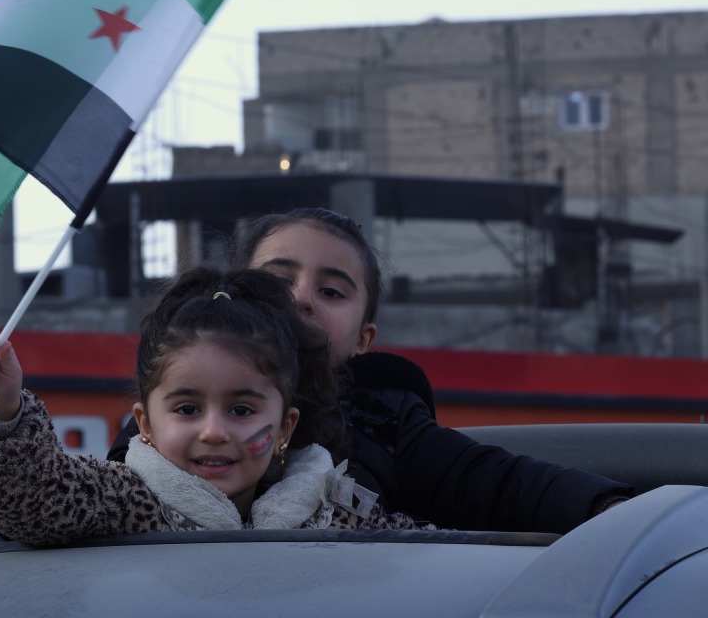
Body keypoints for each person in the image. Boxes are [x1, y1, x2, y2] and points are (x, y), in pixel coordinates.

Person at [109, 207, 634, 533]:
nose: (301, 298)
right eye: (279, 277)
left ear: (364, 338)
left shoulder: (387, 422)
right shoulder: (166, 417)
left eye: (332, 290)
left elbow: (496, 483)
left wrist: (613, 509)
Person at [0, 267, 427, 547]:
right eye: (187, 409)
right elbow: (35, 499)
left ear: (284, 428)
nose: (213, 431)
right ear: (144, 423)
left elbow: (429, 566)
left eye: (242, 410)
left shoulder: (343, 513)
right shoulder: (125, 501)